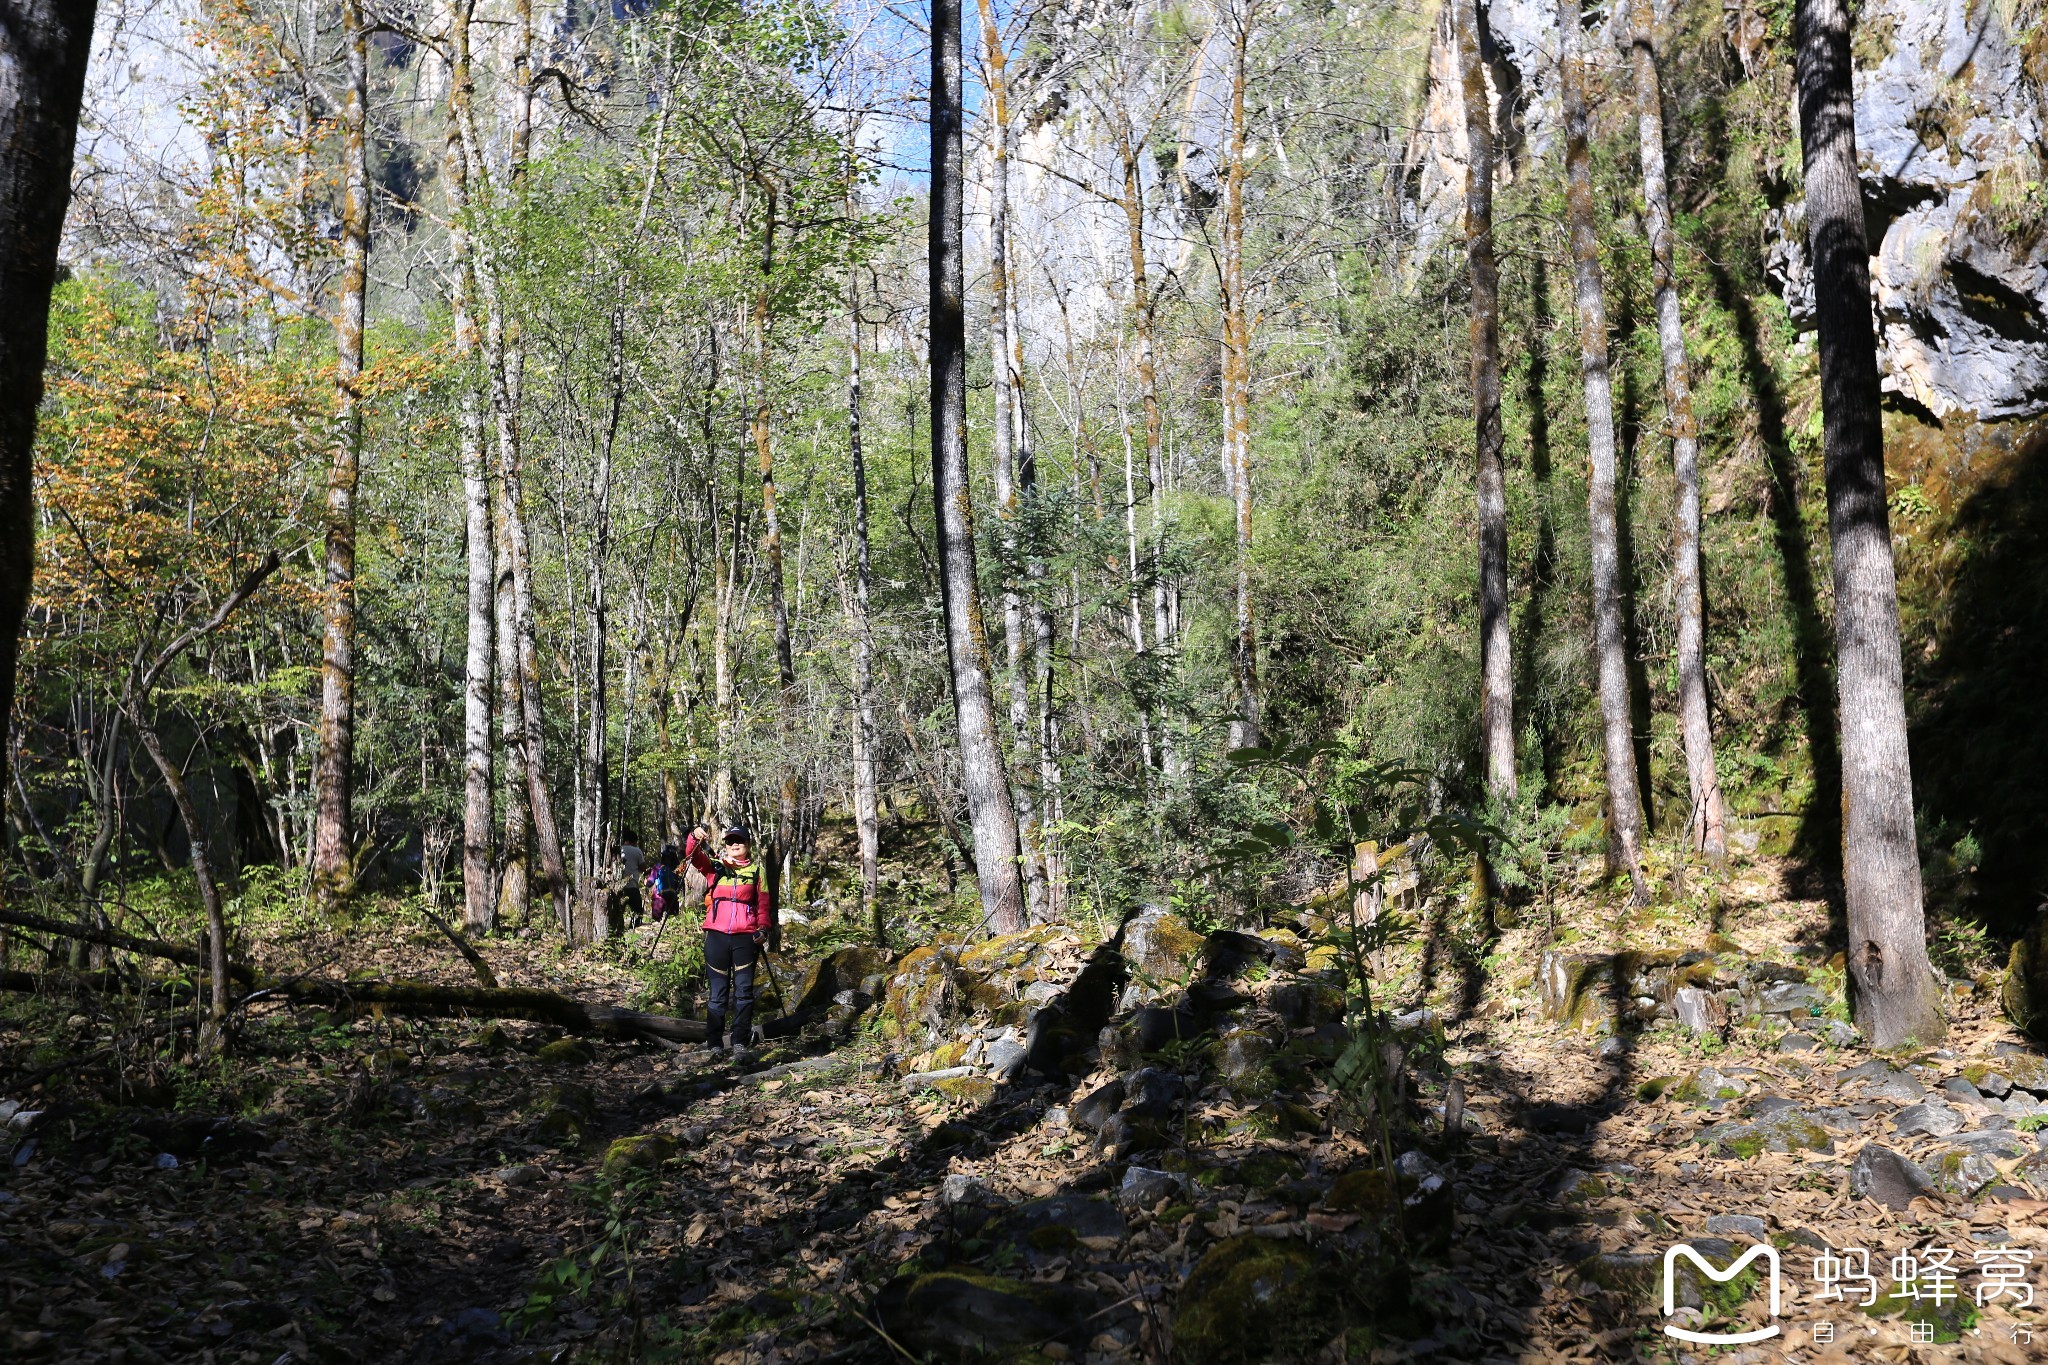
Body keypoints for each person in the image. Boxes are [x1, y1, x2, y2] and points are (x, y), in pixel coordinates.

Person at [683, 823, 772, 1053]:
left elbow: (763, 903)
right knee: (718, 994)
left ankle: (739, 1041)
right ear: (725, 845)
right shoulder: (716, 867)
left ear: (748, 845)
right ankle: (714, 1044)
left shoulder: (756, 871)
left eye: (739, 841)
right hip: (717, 937)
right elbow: (692, 856)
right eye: (730, 841)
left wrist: (763, 929)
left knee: (743, 992)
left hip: (745, 938)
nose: (734, 845)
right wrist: (694, 836)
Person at [619, 832, 646, 927]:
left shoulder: (620, 850)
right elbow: (643, 868)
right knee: (638, 910)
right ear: (634, 841)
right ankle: (634, 928)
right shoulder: (637, 851)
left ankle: (618, 929)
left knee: (619, 911)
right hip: (632, 885)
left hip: (619, 886)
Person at [648, 844, 681, 922]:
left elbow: (650, 881)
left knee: (657, 920)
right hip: (673, 897)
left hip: (658, 898)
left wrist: (647, 883)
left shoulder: (658, 866)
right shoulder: (677, 868)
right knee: (673, 919)